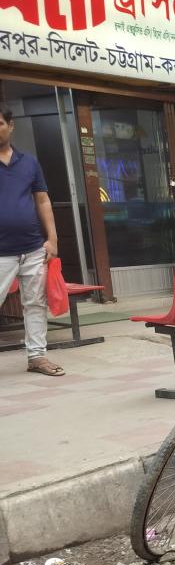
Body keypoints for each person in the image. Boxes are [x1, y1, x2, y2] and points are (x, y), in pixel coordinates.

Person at [0, 106, 64, 377]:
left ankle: (37, 357)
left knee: (35, 303)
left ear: (10, 125)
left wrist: (52, 239)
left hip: (33, 248)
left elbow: (42, 200)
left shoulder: (29, 162)